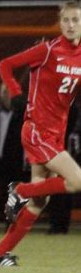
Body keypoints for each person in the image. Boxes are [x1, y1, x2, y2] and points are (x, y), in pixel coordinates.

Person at [0, 1, 81, 265]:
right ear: (60, 22)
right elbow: (5, 65)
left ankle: (0, 254)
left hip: (56, 133)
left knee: (39, 200)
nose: (70, 25)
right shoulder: (47, 50)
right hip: (37, 130)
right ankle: (19, 189)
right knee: (77, 180)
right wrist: (15, 93)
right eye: (66, 20)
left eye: (75, 20)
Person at [0, 83, 27, 216]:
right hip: (1, 159)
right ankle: (10, 221)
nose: (7, 95)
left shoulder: (23, 113)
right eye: (4, 92)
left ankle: (16, 222)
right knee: (4, 192)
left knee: (17, 192)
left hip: (17, 158)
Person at [45, 99, 81, 234]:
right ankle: (56, 223)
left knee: (64, 189)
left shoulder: (72, 110)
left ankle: (60, 224)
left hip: (65, 152)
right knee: (56, 188)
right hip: (57, 151)